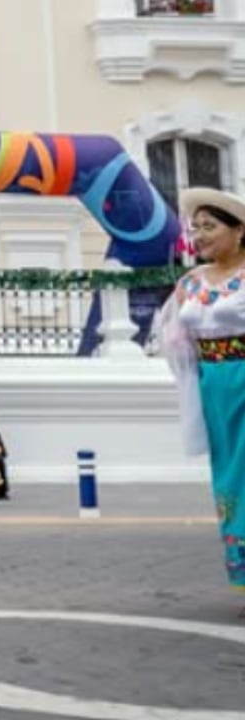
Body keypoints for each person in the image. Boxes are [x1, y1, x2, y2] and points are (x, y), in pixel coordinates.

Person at [155, 186, 245, 601]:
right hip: (213, 387)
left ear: (239, 231)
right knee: (229, 480)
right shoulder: (190, 283)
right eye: (196, 229)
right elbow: (172, 335)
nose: (201, 236)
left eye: (210, 227)